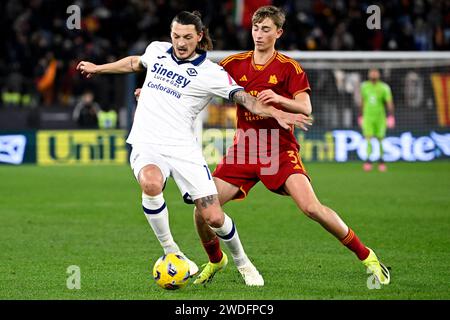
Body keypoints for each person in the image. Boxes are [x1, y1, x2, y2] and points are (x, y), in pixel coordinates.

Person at [77, 11, 311, 281]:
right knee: (151, 184)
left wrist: (277, 112)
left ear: (199, 37)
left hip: (183, 149)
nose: (180, 42)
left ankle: (243, 263)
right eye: (176, 36)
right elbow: (134, 63)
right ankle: (172, 252)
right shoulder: (157, 50)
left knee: (212, 216)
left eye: (188, 37)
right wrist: (98, 68)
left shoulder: (211, 73)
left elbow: (247, 100)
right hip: (148, 141)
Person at [193, 6, 391, 287]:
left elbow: (306, 107)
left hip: (279, 149)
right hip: (244, 148)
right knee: (203, 208)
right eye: (255, 28)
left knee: (311, 207)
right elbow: (198, 83)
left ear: (278, 32)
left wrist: (279, 98)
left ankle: (368, 256)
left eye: (266, 29)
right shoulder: (233, 63)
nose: (259, 34)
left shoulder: (289, 68)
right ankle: (215, 261)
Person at [358, 69, 395, 172]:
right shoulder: (364, 86)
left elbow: (389, 102)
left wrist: (391, 116)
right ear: (369, 74)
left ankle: (382, 161)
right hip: (368, 116)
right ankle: (368, 160)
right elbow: (362, 101)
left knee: (380, 138)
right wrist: (360, 116)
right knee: (368, 137)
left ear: (379, 74)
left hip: (380, 117)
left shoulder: (384, 87)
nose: (373, 74)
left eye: (375, 72)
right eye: (372, 72)